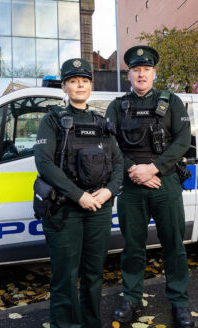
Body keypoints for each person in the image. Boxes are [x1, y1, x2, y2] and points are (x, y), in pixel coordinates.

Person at [106, 45, 194, 327]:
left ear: (154, 73)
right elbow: (110, 144)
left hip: (165, 182)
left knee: (174, 245)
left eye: (146, 69)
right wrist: (134, 169)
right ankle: (131, 298)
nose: (141, 74)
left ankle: (179, 302)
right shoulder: (117, 106)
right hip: (131, 186)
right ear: (128, 75)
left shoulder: (173, 102)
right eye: (136, 70)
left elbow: (183, 141)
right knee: (133, 247)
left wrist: (153, 168)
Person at [34, 58, 123, 328]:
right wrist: (78, 195)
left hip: (98, 209)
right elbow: (44, 163)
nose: (79, 85)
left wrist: (108, 192)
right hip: (65, 210)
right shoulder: (52, 121)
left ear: (90, 86)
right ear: (64, 87)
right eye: (73, 81)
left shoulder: (102, 122)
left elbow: (119, 163)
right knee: (65, 277)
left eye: (84, 80)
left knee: (94, 275)